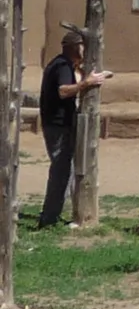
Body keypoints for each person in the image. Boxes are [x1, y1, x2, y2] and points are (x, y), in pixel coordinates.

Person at [34, 23, 109, 229]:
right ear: (75, 46)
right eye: (84, 46)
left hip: (59, 124)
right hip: (57, 126)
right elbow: (63, 91)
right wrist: (87, 83)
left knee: (66, 170)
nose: (85, 50)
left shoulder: (66, 65)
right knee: (60, 170)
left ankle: (56, 214)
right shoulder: (62, 65)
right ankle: (48, 219)